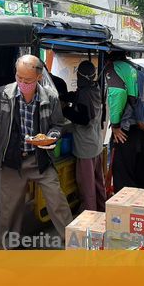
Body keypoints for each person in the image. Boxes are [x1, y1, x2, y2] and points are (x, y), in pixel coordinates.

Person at [0, 54, 73, 249]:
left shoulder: (50, 97)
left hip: (39, 159)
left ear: (39, 78)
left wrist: (51, 135)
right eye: (19, 78)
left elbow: (58, 125)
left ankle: (73, 241)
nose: (22, 83)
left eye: (28, 80)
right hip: (11, 161)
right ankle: (9, 249)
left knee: (56, 200)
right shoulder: (2, 94)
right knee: (10, 209)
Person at [105, 51, 144, 191]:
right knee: (141, 174)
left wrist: (115, 125)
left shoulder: (113, 68)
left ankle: (126, 212)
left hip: (127, 132)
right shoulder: (138, 68)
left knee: (123, 178)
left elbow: (117, 93)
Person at [62, 60, 105, 212]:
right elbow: (79, 98)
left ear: (80, 76)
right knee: (98, 183)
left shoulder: (85, 93)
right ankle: (102, 210)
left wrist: (66, 111)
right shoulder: (95, 88)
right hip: (96, 144)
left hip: (86, 147)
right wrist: (65, 97)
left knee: (87, 187)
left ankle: (90, 218)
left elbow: (84, 119)